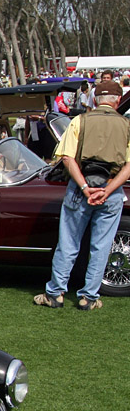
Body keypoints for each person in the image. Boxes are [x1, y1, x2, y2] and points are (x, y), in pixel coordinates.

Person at [34, 80, 130, 311]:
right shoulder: (127, 125)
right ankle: (89, 296)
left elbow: (66, 158)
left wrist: (85, 187)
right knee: (101, 246)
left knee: (68, 243)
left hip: (80, 189)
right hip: (111, 190)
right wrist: (108, 189)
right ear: (117, 101)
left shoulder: (80, 120)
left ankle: (55, 293)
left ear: (95, 99)